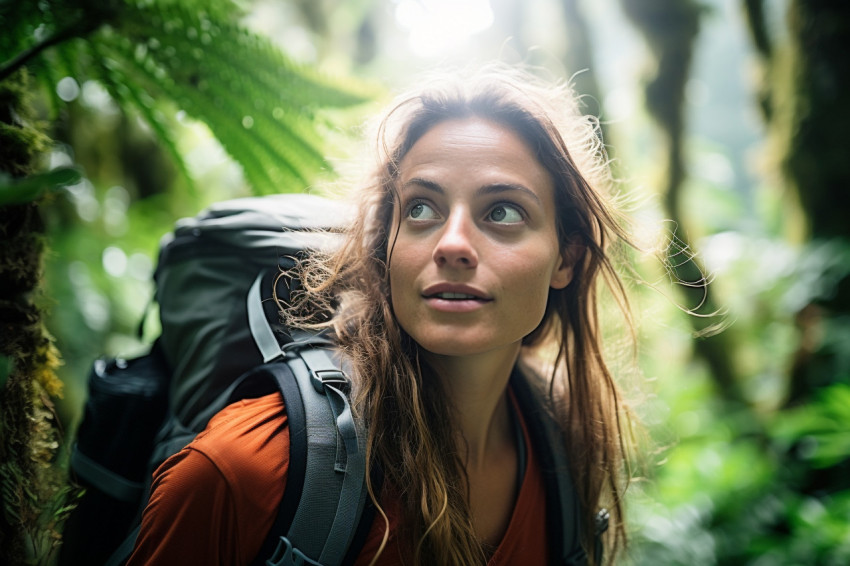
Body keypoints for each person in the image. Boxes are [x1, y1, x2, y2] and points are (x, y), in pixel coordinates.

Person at [127, 64, 637, 566]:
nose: (453, 244)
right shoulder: (249, 470)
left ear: (566, 257)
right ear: (384, 248)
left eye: (502, 211)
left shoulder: (563, 450)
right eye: (421, 209)